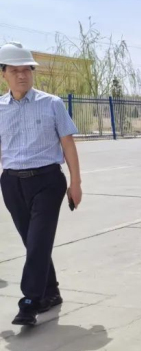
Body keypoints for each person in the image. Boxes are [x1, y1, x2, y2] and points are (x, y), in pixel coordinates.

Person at [0, 42, 82, 327]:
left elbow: (68, 144)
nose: (22, 75)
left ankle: (30, 301)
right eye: (15, 70)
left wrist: (76, 183)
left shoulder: (52, 104)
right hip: (12, 183)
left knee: (37, 242)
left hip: (48, 181)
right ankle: (51, 291)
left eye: (27, 70)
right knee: (32, 241)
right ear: (4, 74)